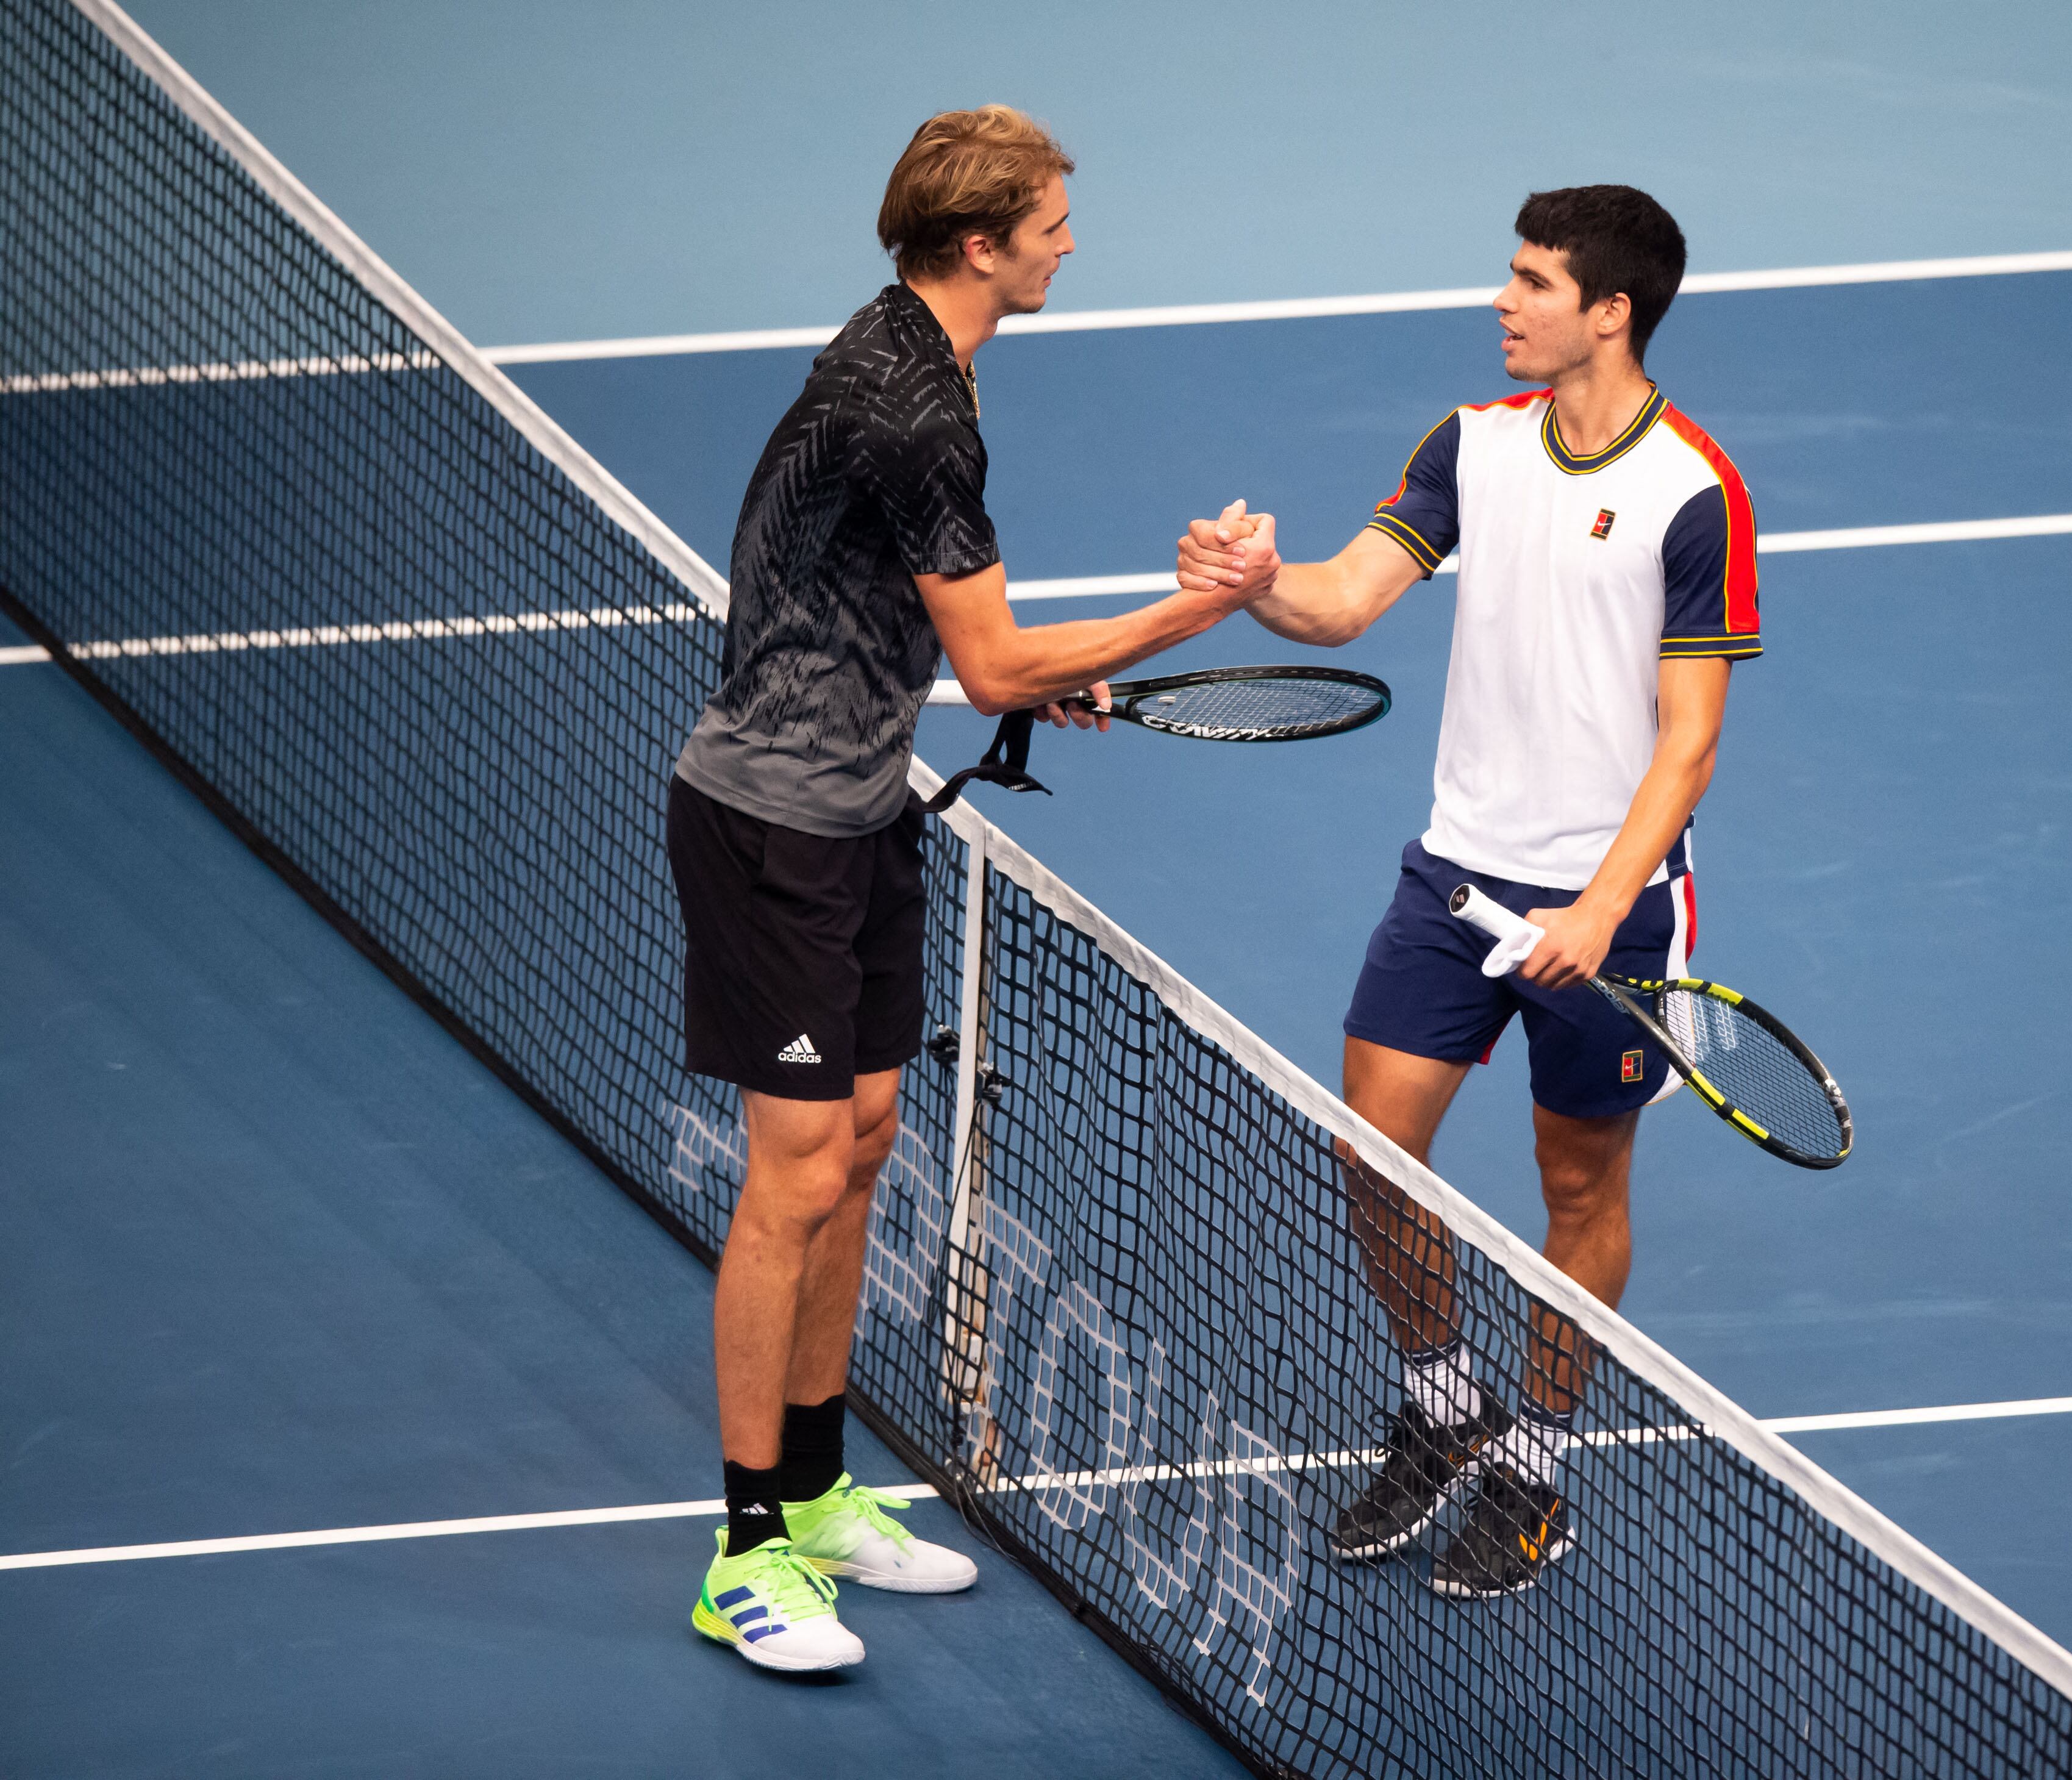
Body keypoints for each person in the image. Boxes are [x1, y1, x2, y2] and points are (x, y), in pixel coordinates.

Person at [669, 105, 1265, 1671]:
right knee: (793, 1172)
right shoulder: (916, 404)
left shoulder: (919, 353)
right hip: (777, 824)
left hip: (862, 804)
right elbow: (998, 649)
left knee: (864, 1143)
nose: (1074, 240)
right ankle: (741, 1551)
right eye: (1055, 220)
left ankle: (811, 1493)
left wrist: (981, 674)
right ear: (983, 241)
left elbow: (869, 586)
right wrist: (1180, 614)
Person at [1176, 185, 1759, 1601]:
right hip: (1453, 874)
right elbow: (1344, 600)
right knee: (1371, 1148)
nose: (1503, 301)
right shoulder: (1472, 444)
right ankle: (1446, 1405)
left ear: (1608, 310)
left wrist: (1600, 906)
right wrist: (1257, 584)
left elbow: (1688, 741)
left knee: (1580, 1179)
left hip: (1608, 910)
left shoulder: (1695, 489)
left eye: (1531, 281)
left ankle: (1538, 1459)